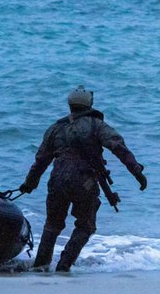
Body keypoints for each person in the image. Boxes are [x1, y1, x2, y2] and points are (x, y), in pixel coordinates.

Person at [18, 86, 147, 272]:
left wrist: (29, 184)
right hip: (84, 181)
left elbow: (40, 161)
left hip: (57, 180)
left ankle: (40, 266)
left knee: (52, 225)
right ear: (89, 105)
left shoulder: (55, 129)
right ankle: (64, 265)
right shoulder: (97, 125)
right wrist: (136, 171)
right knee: (86, 225)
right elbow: (118, 147)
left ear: (70, 106)